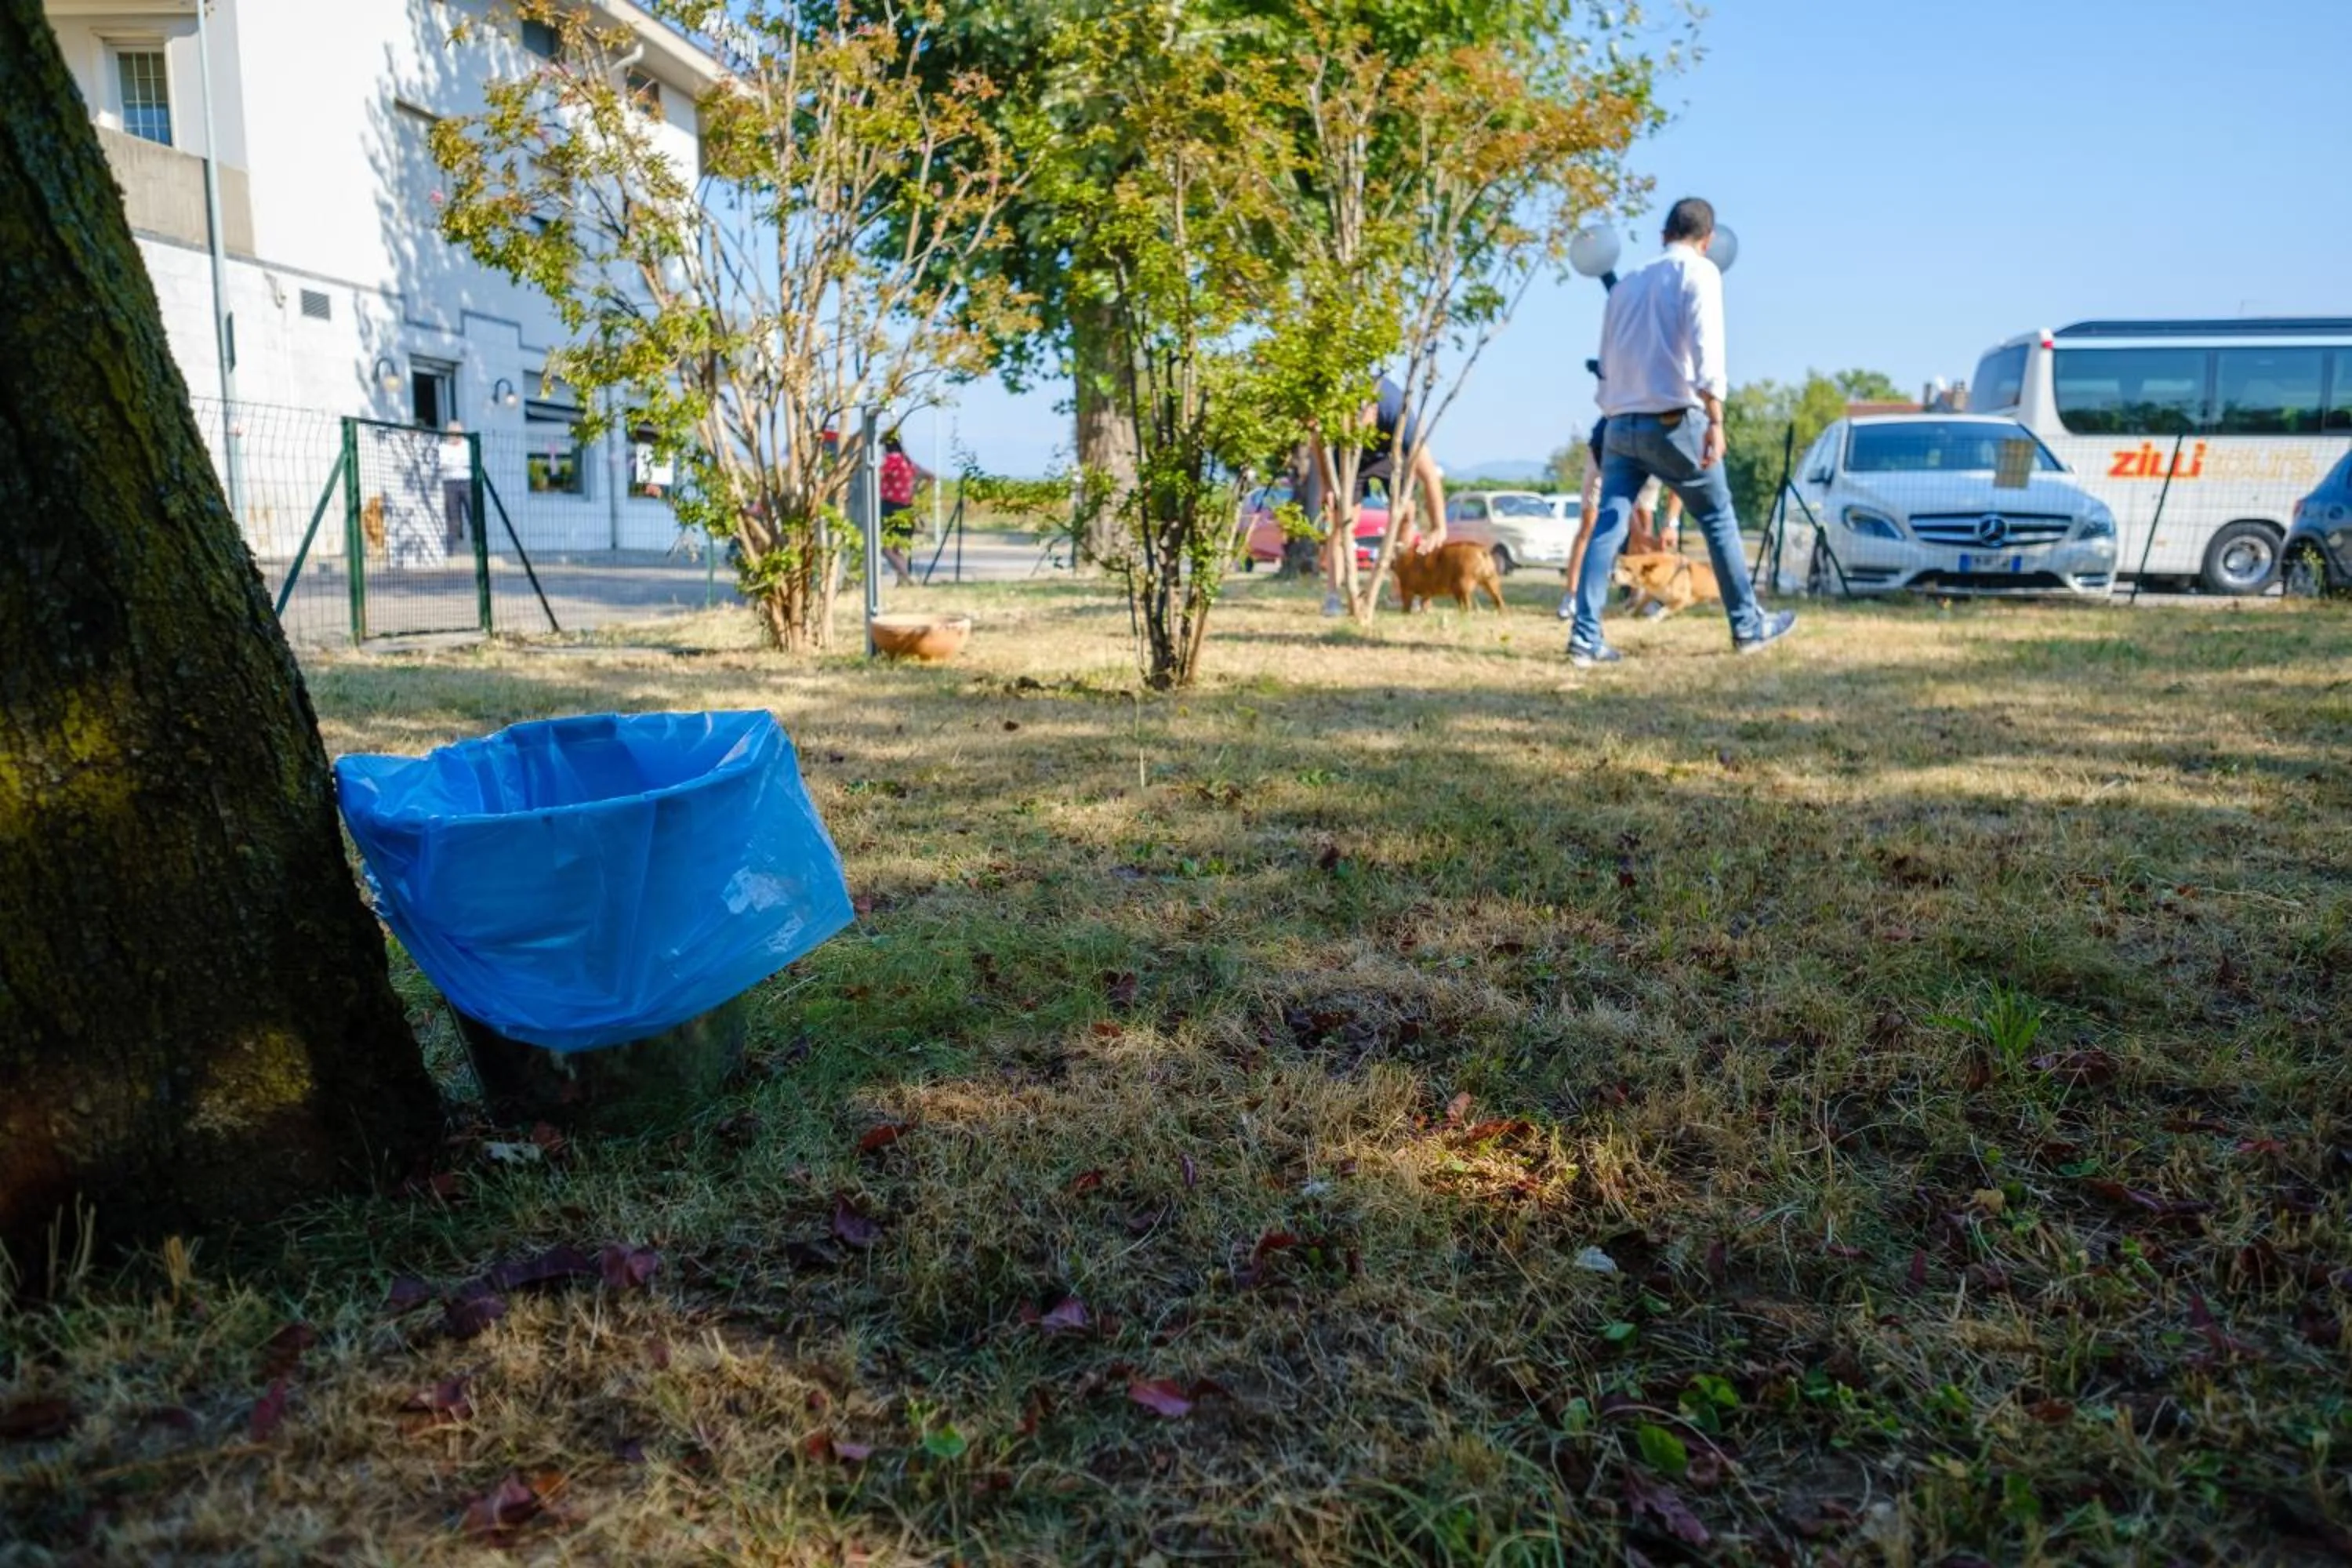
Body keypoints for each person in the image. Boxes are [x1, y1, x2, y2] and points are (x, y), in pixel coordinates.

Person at [1566, 197, 1795, 666]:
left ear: (1663, 235)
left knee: (1609, 526)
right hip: (1673, 420)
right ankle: (1748, 626)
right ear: (1707, 241)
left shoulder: (1626, 284)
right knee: (1716, 517)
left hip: (1619, 423)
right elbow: (1708, 346)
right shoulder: (1700, 272)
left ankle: (1585, 637)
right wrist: (1715, 417)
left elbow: (1607, 360)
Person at [1302, 373, 1448, 616]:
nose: (1359, 427)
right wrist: (1327, 484)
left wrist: (1439, 526)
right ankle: (1333, 596)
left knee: (1405, 515)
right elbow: (1318, 441)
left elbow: (1430, 476)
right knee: (1343, 521)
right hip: (1348, 455)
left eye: (1362, 424)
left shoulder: (1397, 413)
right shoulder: (1336, 413)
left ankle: (1398, 592)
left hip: (1390, 455)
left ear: (1372, 411)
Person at [1558, 416, 1682, 619]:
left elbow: (1679, 484)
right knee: (1591, 523)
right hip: (1606, 454)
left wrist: (1671, 525)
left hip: (1648, 459)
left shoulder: (1675, 442)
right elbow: (1619, 501)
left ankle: (1639, 597)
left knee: (1645, 521)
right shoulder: (1621, 425)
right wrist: (1638, 533)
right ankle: (1572, 595)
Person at [878, 432, 928, 587]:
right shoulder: (907, 461)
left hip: (890, 506)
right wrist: (915, 491)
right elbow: (930, 476)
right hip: (906, 507)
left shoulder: (891, 459)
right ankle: (902, 581)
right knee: (898, 548)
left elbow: (877, 475)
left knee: (885, 548)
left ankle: (906, 576)